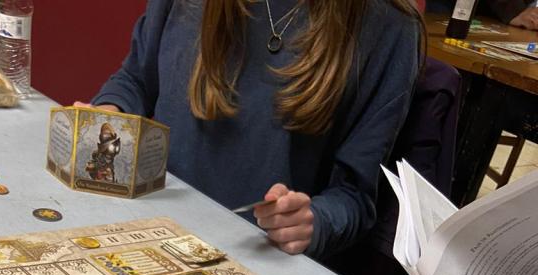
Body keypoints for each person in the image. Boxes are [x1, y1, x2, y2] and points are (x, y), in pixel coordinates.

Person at [80, 0, 422, 259]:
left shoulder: (390, 27)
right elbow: (137, 79)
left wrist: (313, 221)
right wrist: (110, 114)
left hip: (257, 259)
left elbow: (355, 197)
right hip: (143, 226)